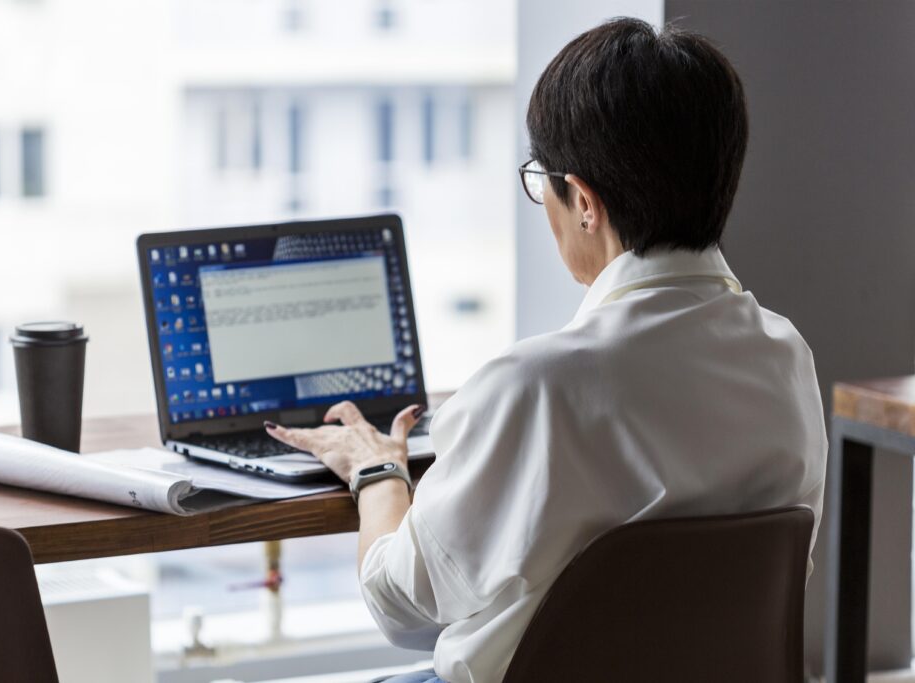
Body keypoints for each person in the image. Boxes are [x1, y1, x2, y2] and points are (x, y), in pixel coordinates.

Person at [265, 17, 827, 683]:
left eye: (543, 181)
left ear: (583, 200)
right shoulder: (785, 355)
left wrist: (377, 473)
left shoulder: (535, 385)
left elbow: (400, 609)